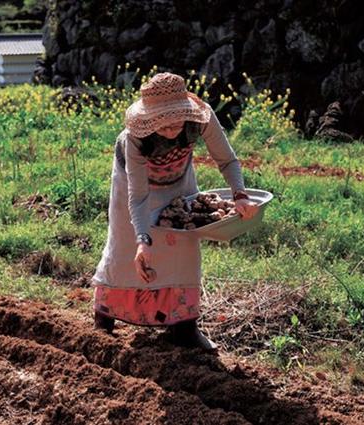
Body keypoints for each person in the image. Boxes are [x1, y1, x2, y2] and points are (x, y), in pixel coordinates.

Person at [90, 72, 259, 351]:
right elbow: (139, 197)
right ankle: (104, 318)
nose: (171, 130)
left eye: (176, 121)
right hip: (133, 187)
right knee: (124, 251)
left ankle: (184, 326)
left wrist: (240, 195)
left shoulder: (200, 119)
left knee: (183, 249)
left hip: (178, 183)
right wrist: (142, 240)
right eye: (163, 124)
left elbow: (227, 159)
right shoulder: (135, 140)